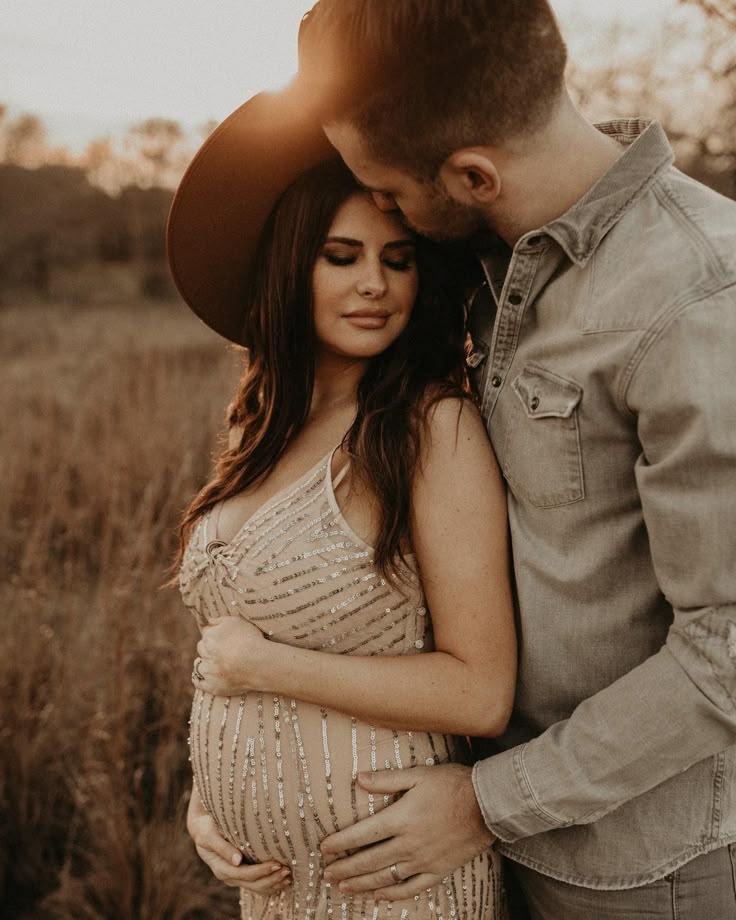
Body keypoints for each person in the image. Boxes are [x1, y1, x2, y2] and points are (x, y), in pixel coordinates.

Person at [262, 2, 733, 918]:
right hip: (457, 840)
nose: (385, 217)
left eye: (390, 194)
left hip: (639, 872)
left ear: (473, 174)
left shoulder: (698, 300)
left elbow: (725, 654)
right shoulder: (466, 265)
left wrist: (488, 805)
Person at [167, 103, 517, 920]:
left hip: (394, 880)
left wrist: (269, 669)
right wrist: (207, 801)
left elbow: (481, 691)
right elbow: (228, 655)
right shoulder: (261, 426)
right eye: (342, 256)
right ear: (293, 268)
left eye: (397, 260)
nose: (375, 283)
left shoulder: (432, 429)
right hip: (275, 892)